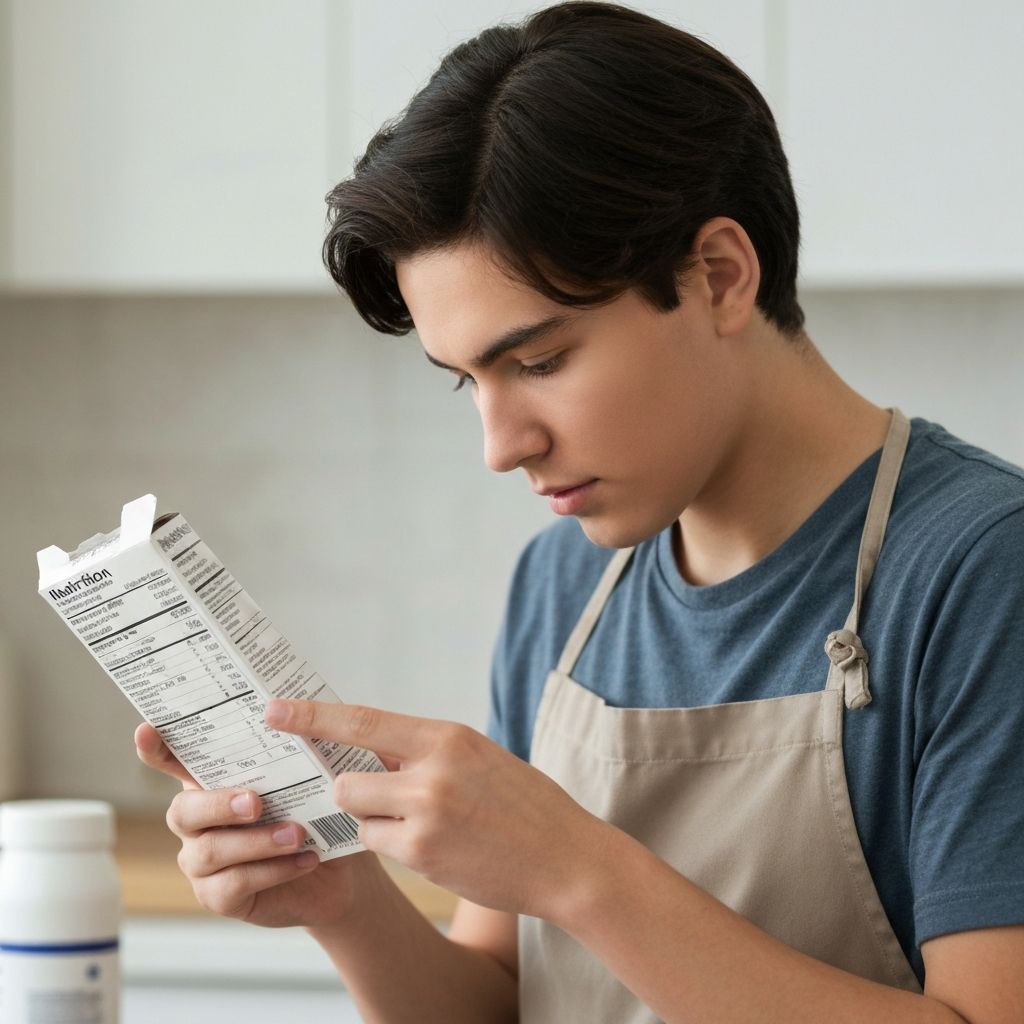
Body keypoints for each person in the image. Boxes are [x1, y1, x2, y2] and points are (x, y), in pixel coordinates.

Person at [135, 2, 1024, 1020]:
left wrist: (577, 870)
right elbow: (501, 1000)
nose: (500, 443)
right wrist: (345, 903)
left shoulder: (983, 570)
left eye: (540, 361)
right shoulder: (566, 583)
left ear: (720, 277)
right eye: (464, 379)